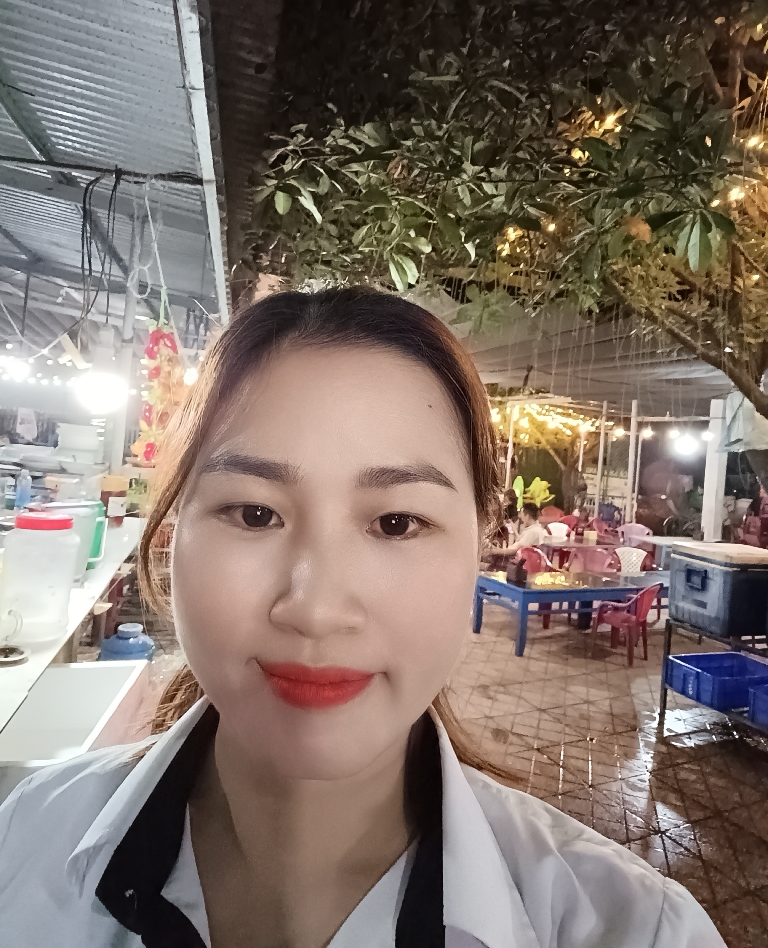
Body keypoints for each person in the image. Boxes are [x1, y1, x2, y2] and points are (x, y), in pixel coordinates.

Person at [0, 287, 724, 947]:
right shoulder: (23, 842)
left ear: (481, 544)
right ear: (170, 533)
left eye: (396, 523)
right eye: (254, 514)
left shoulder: (638, 931)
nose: (316, 611)